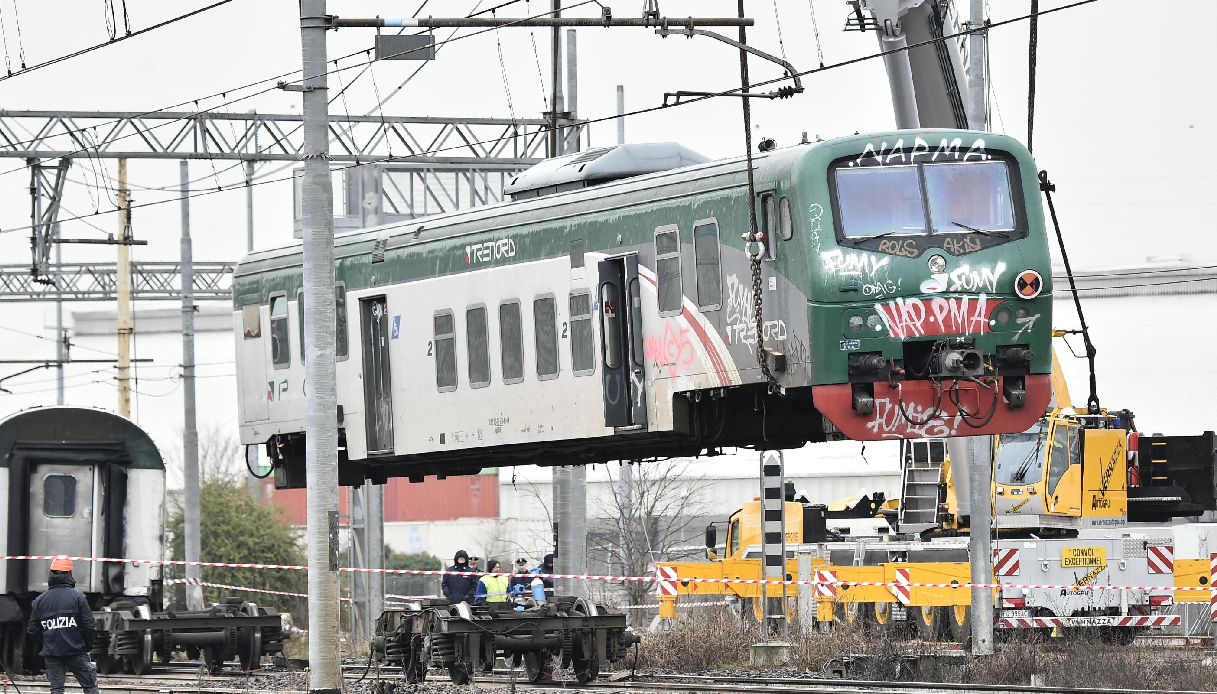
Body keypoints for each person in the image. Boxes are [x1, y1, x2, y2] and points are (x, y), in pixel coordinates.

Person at [26, 556, 98, 694]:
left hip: (52, 653)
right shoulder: (78, 597)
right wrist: (87, 646)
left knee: (57, 689)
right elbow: (89, 625)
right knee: (90, 687)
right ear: (69, 573)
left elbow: (32, 629)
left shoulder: (39, 601)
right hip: (76, 651)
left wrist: (46, 645)